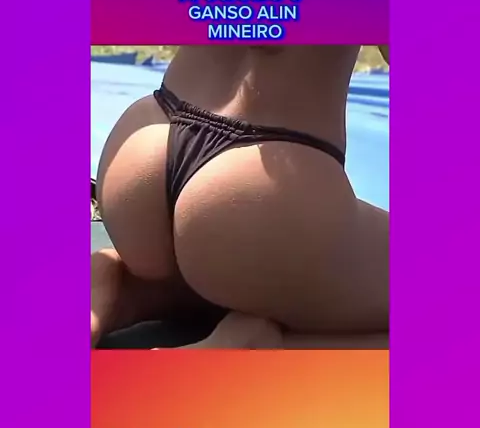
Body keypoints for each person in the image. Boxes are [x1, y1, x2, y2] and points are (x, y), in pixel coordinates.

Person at [91, 46, 389, 349]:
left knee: (237, 269)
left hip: (145, 141)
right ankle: (261, 347)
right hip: (260, 188)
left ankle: (123, 287)